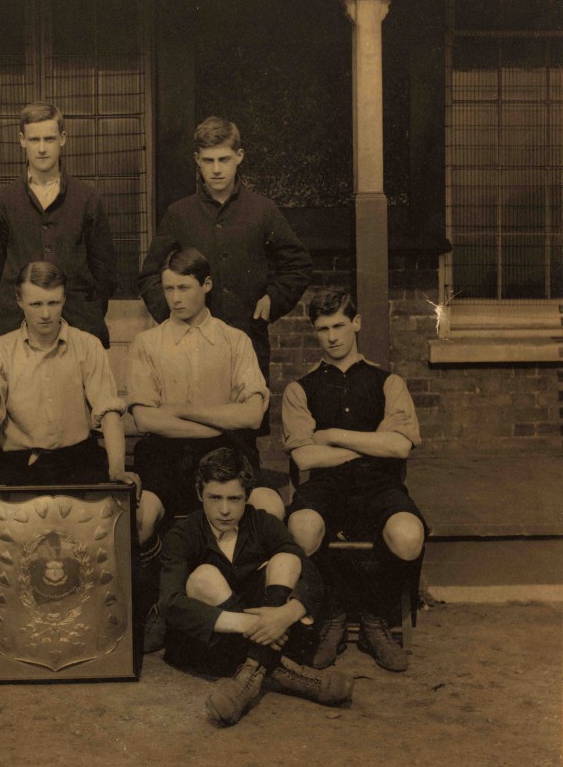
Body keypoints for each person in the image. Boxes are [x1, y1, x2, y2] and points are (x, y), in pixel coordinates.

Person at [127, 247, 284, 649]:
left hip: (229, 454)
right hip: (166, 455)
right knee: (142, 518)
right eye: (168, 289)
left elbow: (251, 416)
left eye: (184, 287)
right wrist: (216, 417)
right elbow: (146, 420)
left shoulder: (235, 341)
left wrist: (186, 411)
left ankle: (256, 609)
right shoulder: (147, 343)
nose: (175, 298)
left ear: (206, 285)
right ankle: (159, 607)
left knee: (270, 508)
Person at [282, 288, 427, 672]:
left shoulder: (388, 383)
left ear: (357, 324)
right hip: (325, 486)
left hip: (379, 486)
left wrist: (331, 435)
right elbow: (304, 456)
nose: (332, 337)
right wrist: (372, 443)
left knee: (409, 536)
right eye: (323, 328)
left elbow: (399, 449)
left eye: (340, 325)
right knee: (302, 527)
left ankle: (375, 621)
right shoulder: (300, 389)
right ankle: (329, 616)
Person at [157, 444, 354, 727]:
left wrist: (283, 615)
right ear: (199, 493)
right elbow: (170, 602)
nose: (225, 510)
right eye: (214, 497)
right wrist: (250, 626)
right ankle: (291, 675)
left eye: (234, 499)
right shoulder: (183, 533)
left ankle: (246, 681)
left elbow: (309, 571)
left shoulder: (261, 522)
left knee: (287, 557)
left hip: (270, 629)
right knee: (204, 576)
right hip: (211, 646)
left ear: (248, 496)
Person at [137, 115, 312, 401]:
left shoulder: (262, 210)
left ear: (239, 156)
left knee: (245, 422)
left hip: (247, 334)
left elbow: (299, 264)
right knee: (191, 417)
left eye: (224, 159)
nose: (216, 169)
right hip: (189, 343)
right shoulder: (180, 214)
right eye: (208, 161)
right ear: (197, 160)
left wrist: (272, 300)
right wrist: (173, 317)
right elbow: (149, 276)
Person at [0, 261, 137, 491]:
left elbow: (109, 413)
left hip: (78, 462)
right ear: (19, 301)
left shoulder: (89, 346)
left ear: (64, 300)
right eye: (36, 304)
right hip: (18, 465)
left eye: (53, 303)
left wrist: (116, 469)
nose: (45, 314)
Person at [0, 101, 118, 349]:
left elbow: (105, 271)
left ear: (62, 139)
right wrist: (16, 308)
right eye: (34, 140)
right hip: (14, 328)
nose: (42, 149)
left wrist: (85, 309)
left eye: (49, 139)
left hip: (77, 323)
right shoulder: (2, 201)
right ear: (22, 140)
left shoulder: (87, 199)